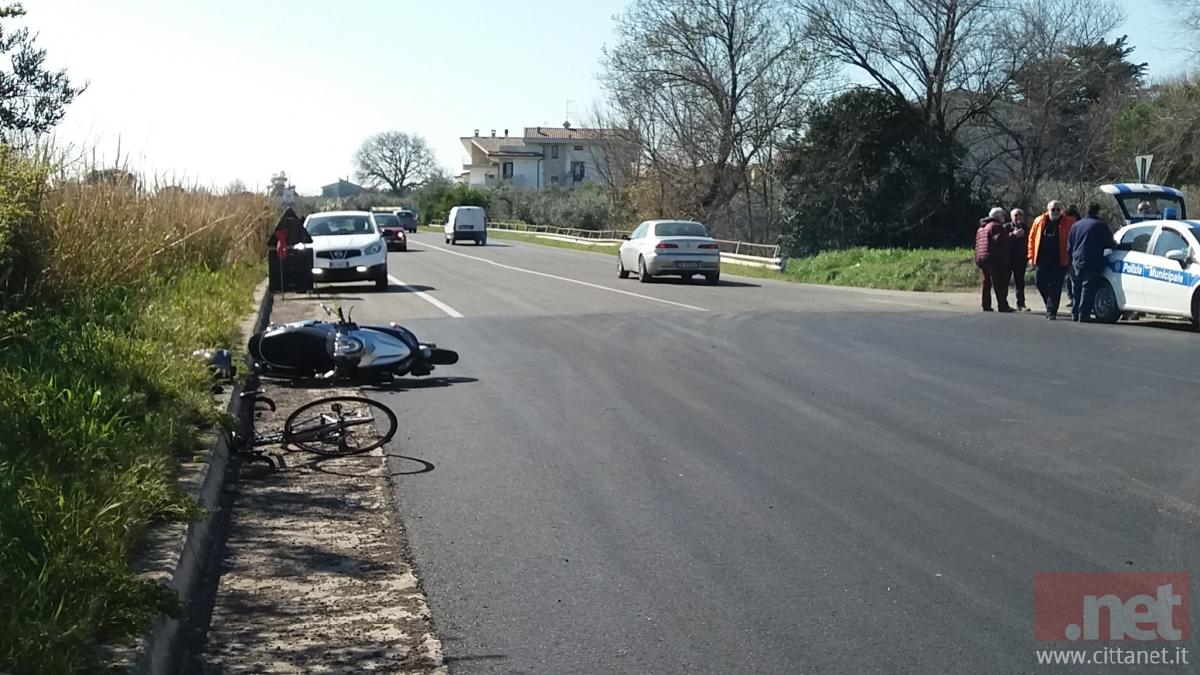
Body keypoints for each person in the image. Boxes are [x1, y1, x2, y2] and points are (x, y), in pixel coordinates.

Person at [1067, 203, 1121, 322]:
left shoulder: (1076, 225)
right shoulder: (1100, 225)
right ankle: (1083, 314)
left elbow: (1069, 245)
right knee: (1088, 287)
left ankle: (1075, 313)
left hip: (1077, 260)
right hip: (1092, 260)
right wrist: (1116, 245)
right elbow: (1108, 242)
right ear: (1098, 211)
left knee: (1077, 287)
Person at [1027, 200, 1075, 320]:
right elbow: (1031, 240)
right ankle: (1049, 302)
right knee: (1040, 282)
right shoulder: (1039, 221)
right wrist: (1031, 257)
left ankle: (1051, 311)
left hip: (1060, 259)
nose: (1056, 212)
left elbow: (1074, 239)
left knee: (1056, 286)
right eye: (1053, 209)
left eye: (1058, 209)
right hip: (1042, 259)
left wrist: (1071, 258)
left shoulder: (1069, 222)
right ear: (1047, 210)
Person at [975, 214, 1013, 312]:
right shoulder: (996, 225)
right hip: (993, 258)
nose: (1004, 217)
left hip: (981, 258)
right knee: (998, 282)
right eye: (1002, 215)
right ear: (998, 216)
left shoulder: (981, 228)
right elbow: (1000, 240)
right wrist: (1013, 235)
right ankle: (1002, 305)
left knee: (986, 283)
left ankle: (986, 304)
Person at [1003, 207, 1030, 311]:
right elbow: (1002, 242)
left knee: (1020, 282)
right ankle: (1003, 303)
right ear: (1011, 217)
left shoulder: (1025, 228)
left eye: (1020, 215)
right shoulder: (1005, 227)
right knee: (1005, 281)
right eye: (1016, 215)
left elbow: (1029, 242)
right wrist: (1013, 235)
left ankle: (1021, 304)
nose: (1018, 218)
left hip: (1021, 259)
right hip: (1008, 259)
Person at [1064, 204, 1081, 308]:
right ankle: (1071, 297)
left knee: (1074, 279)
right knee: (1068, 278)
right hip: (1068, 254)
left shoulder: (1078, 225)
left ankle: (1075, 299)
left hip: (1074, 255)